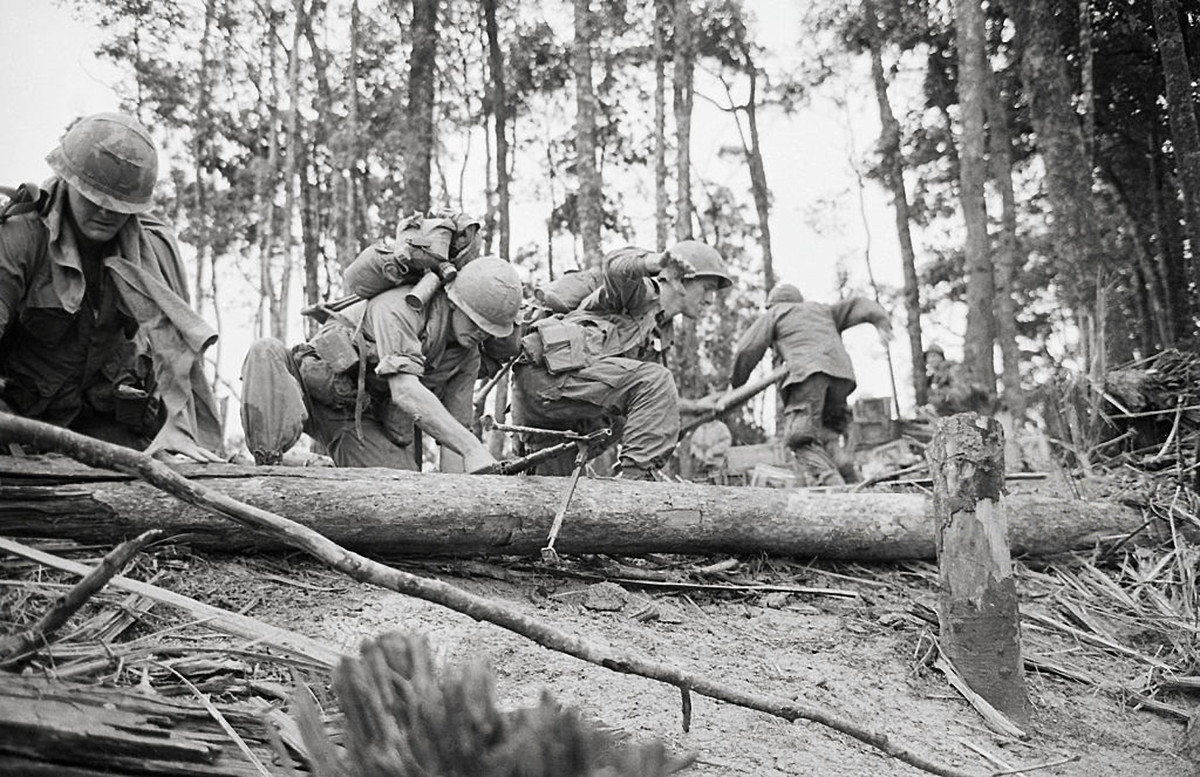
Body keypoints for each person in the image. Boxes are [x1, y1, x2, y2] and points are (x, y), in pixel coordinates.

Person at [0, 112, 223, 462]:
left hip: (99, 420)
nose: (105, 213)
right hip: (17, 418)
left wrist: (179, 428)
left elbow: (177, 354)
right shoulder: (21, 236)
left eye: (118, 206)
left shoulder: (153, 248)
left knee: (154, 486)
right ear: (69, 181)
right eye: (93, 199)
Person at [240, 253, 522, 474]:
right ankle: (268, 467)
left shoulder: (466, 357)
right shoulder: (401, 306)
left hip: (360, 417)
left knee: (401, 494)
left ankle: (314, 468)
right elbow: (405, 391)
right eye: (476, 322)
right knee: (265, 351)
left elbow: (455, 436)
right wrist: (472, 447)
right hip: (311, 389)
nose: (481, 333)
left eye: (490, 331)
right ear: (454, 302)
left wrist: (460, 495)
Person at [510, 240, 731, 480]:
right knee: (655, 381)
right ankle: (635, 485)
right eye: (707, 287)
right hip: (547, 379)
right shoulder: (637, 294)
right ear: (681, 278)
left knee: (554, 505)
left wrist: (698, 407)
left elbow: (652, 404)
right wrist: (655, 262)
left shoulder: (658, 334)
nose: (710, 299)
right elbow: (615, 267)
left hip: (563, 414)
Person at [730, 283, 891, 486]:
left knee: (800, 439)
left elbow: (747, 348)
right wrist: (882, 322)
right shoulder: (822, 311)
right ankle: (854, 484)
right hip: (841, 377)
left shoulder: (777, 312)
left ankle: (838, 490)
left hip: (809, 375)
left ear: (774, 305)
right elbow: (858, 304)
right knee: (828, 436)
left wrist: (736, 383)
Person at [923, 345, 992, 416]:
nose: (931, 360)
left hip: (963, 412)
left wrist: (942, 396)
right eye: (928, 357)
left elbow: (962, 393)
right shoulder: (933, 377)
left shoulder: (952, 370)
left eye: (934, 356)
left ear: (941, 357)